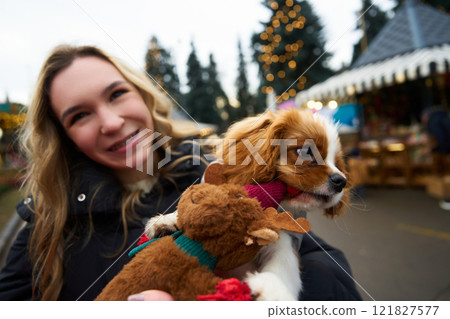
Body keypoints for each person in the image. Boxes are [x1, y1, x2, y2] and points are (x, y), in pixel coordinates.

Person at [0, 44, 361, 301]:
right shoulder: (46, 218)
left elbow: (329, 269)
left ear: (143, 95)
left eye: (116, 94)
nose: (110, 122)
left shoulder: (219, 171)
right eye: (79, 115)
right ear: (65, 137)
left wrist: (269, 291)